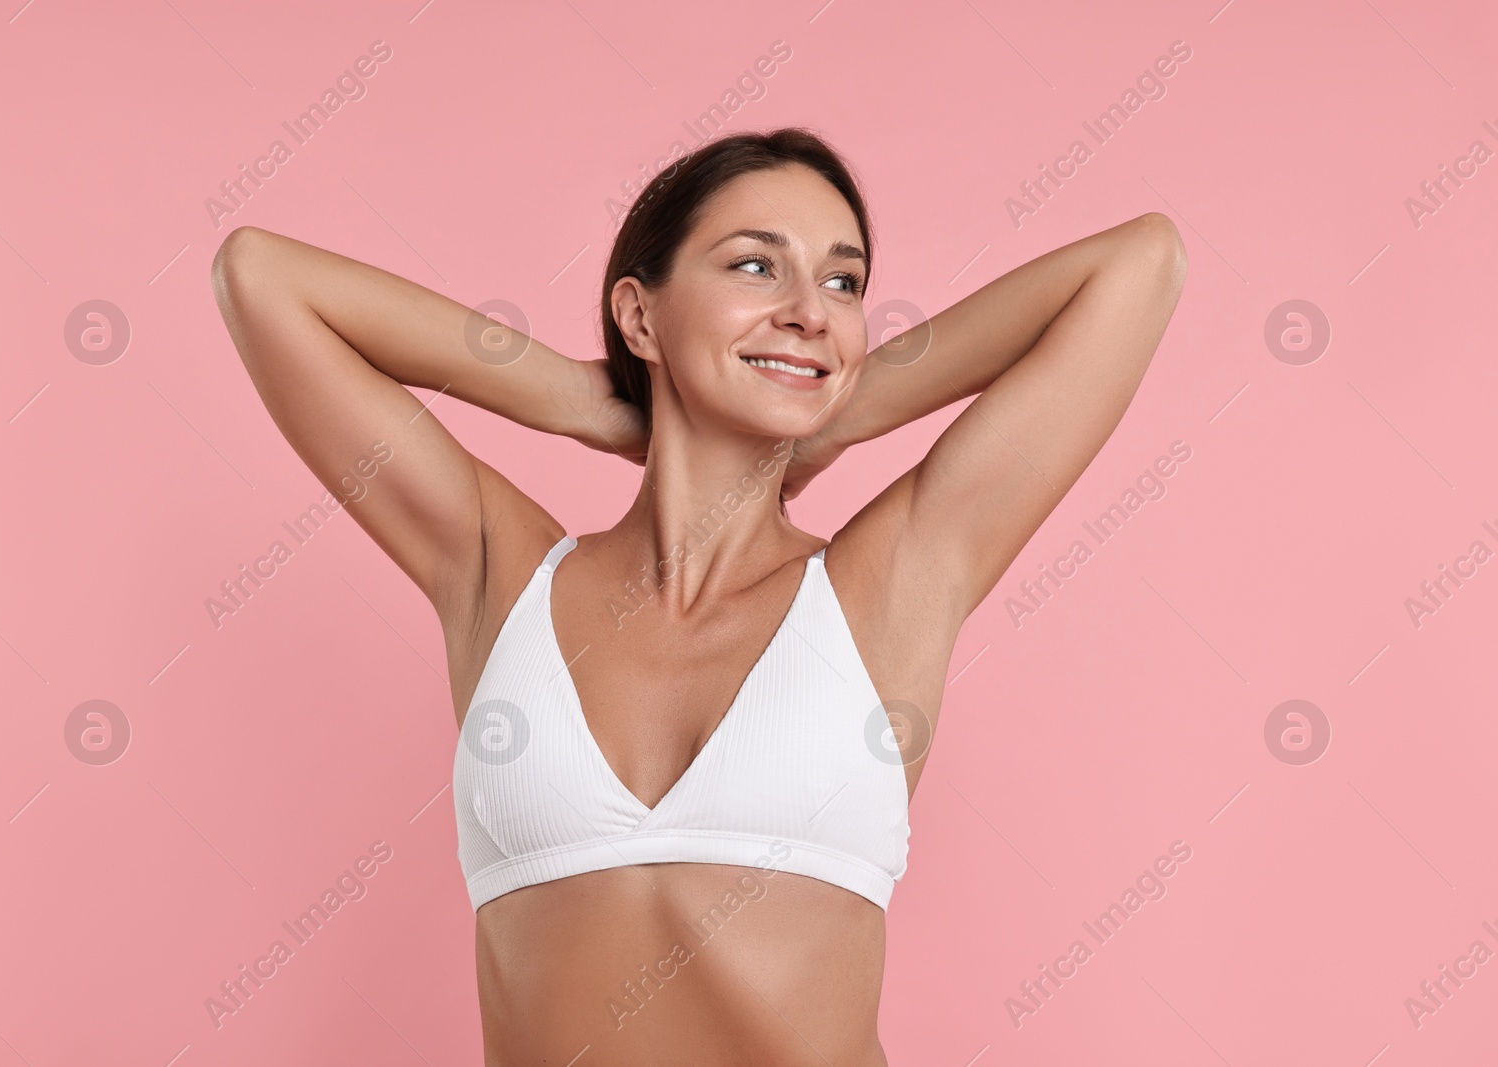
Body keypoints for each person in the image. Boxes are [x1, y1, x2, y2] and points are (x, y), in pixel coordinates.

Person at [210, 126, 1185, 1065]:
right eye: (757, 265)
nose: (811, 307)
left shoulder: (887, 582)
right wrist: (578, 398)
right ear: (640, 313)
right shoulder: (500, 576)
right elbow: (262, 277)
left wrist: (842, 407)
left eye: (841, 283)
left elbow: (1139, 266)